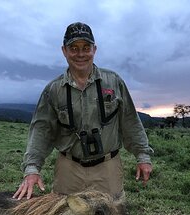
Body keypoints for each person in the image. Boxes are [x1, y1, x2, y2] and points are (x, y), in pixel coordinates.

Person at [13, 22, 153, 200]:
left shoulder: (114, 81)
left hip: (107, 166)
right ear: (64, 51)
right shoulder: (54, 90)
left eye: (86, 48)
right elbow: (41, 130)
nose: (80, 54)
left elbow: (130, 121)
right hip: (69, 167)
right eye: (74, 48)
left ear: (94, 49)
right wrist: (32, 169)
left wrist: (143, 156)